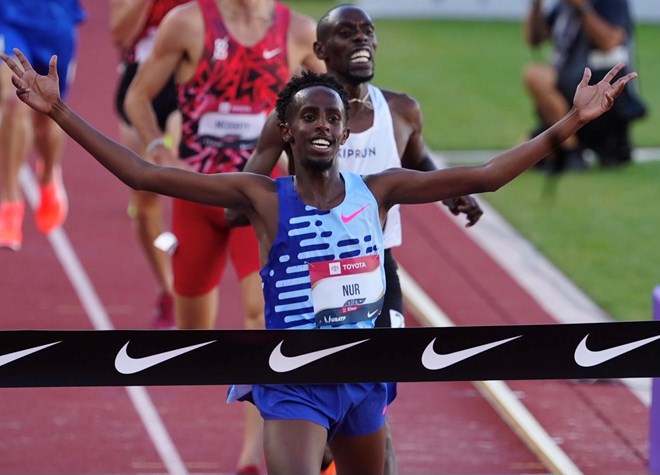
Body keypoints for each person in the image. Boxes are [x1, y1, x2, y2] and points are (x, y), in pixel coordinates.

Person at [1, 48, 635, 475]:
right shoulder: (261, 197)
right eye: (308, 116)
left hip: (365, 373)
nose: (323, 125)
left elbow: (487, 176)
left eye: (333, 116)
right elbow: (145, 175)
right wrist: (58, 111)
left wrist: (571, 122)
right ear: (287, 129)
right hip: (294, 379)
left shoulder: (378, 190)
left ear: (345, 131)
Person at [226, 5, 483, 474]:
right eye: (347, 33)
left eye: (368, 30)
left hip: (377, 273)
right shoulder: (296, 115)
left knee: (374, 394)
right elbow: (237, 206)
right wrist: (279, 207)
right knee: (315, 415)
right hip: (311, 273)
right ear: (321, 50)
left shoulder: (401, 110)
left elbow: (418, 163)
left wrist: (452, 194)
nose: (362, 39)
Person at [122, 1, 324, 473]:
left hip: (260, 199)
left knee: (262, 318)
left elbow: (339, 103)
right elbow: (137, 97)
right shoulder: (188, 22)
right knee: (195, 336)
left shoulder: (297, 31)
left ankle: (253, 455)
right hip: (198, 194)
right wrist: (158, 148)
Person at [109, 0, 188, 329]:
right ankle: (166, 287)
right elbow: (120, 34)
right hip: (142, 84)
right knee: (144, 205)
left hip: (188, 84)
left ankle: (190, 284)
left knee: (189, 187)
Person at [0, 0, 85, 250]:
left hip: (56, 20)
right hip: (9, 17)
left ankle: (48, 175)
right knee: (13, 101)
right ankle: (10, 202)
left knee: (48, 113)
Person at [523, 0, 646, 172]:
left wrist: (581, 7)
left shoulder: (611, 3)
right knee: (521, 152)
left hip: (600, 87)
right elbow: (534, 39)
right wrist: (536, 5)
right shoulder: (563, 6)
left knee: (536, 75)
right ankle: (566, 146)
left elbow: (610, 41)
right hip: (570, 83)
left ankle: (571, 152)